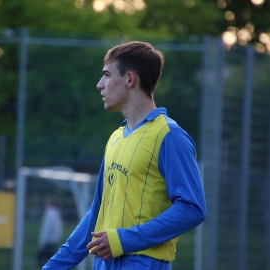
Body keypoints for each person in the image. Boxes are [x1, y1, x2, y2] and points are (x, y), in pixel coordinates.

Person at [42, 41, 206, 269]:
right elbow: (96, 212)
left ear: (130, 79)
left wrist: (124, 240)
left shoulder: (170, 136)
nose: (100, 85)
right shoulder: (115, 138)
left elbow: (192, 208)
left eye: (107, 75)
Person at [37, 196, 63, 269]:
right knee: (50, 259)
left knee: (40, 259)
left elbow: (46, 229)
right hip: (54, 240)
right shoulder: (57, 213)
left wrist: (42, 242)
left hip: (48, 241)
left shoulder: (49, 213)